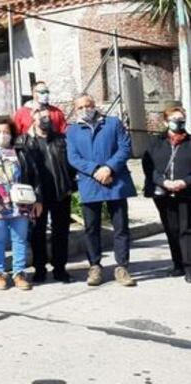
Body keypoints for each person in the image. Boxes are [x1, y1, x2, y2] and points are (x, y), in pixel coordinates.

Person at [66, 94, 137, 287]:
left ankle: (122, 266)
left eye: (88, 105)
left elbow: (124, 147)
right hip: (90, 183)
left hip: (115, 181)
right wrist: (95, 170)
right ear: (76, 109)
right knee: (91, 228)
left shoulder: (113, 123)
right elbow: (73, 157)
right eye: (80, 107)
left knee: (121, 227)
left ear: (94, 105)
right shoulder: (72, 131)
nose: (85, 109)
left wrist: (109, 167)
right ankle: (95, 266)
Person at [17, 106, 76, 284]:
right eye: (41, 115)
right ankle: (40, 269)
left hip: (60, 192)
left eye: (48, 115)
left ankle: (60, 268)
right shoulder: (24, 141)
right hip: (37, 195)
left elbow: (70, 164)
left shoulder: (60, 139)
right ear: (33, 117)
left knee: (61, 232)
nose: (46, 118)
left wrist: (70, 185)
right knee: (38, 232)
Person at [0, 118, 40, 292]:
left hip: (20, 203)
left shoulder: (20, 153)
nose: (3, 135)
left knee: (19, 239)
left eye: (6, 132)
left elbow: (34, 175)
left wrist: (38, 198)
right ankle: (0, 273)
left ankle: (19, 273)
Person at [141, 106, 191, 282]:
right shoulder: (155, 142)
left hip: (186, 192)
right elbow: (148, 167)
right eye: (175, 119)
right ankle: (177, 264)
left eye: (181, 119)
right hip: (162, 192)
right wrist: (164, 182)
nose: (179, 122)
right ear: (165, 122)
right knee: (172, 229)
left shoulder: (189, 141)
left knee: (186, 230)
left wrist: (184, 182)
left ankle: (189, 267)